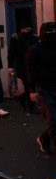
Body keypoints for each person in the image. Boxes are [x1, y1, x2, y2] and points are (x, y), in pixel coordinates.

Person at [27, 22, 56, 154]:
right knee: (53, 119)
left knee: (54, 120)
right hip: (44, 88)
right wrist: (32, 90)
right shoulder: (34, 50)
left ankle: (44, 139)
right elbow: (31, 71)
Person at [8, 27, 37, 112]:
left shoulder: (16, 39)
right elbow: (11, 53)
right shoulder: (33, 38)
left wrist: (11, 66)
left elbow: (11, 53)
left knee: (25, 86)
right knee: (27, 86)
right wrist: (11, 66)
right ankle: (29, 105)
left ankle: (26, 104)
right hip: (25, 65)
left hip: (23, 65)